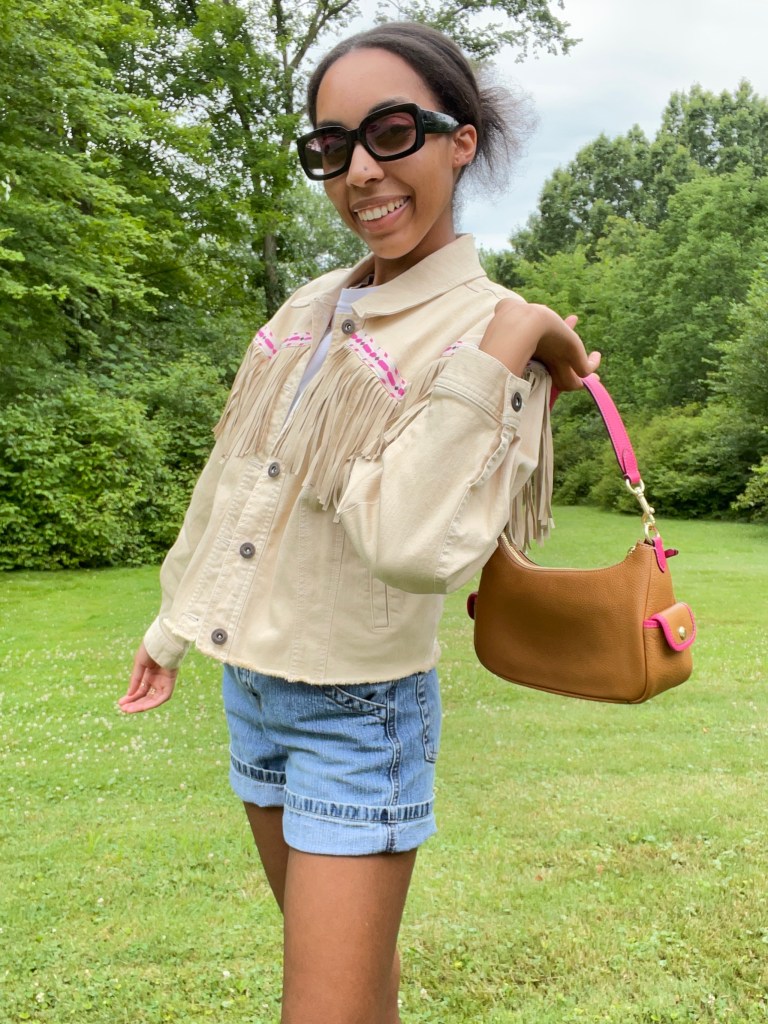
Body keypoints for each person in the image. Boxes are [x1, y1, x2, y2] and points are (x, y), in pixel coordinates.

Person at [119, 21, 600, 1024]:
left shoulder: (493, 337)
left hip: (359, 715)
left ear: (459, 141)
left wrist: (513, 335)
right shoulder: (309, 308)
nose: (361, 172)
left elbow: (414, 546)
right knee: (354, 993)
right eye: (332, 147)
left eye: (390, 133)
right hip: (253, 691)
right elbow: (234, 480)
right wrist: (172, 625)